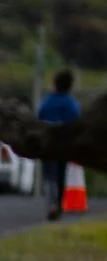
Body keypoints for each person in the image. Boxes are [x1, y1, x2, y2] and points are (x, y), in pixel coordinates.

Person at [39, 69, 84, 219]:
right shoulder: (71, 103)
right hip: (63, 143)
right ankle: (58, 204)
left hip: (47, 142)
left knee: (48, 175)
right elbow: (77, 119)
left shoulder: (48, 101)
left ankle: (51, 203)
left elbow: (39, 115)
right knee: (60, 175)